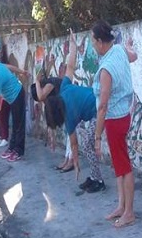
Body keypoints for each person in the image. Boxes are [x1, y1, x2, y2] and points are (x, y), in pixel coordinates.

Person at [44, 30, 106, 193]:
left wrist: (77, 165)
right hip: (98, 101)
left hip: (98, 110)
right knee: (86, 143)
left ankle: (98, 181)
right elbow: (70, 66)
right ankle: (94, 177)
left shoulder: (69, 117)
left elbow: (74, 144)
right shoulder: (63, 88)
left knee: (86, 144)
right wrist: (72, 44)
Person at [91, 20, 138, 228]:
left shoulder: (106, 69)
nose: (92, 44)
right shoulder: (118, 50)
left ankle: (129, 213)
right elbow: (133, 56)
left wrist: (97, 137)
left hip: (114, 120)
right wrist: (128, 46)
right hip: (123, 116)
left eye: (93, 41)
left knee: (124, 166)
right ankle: (121, 206)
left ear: (101, 42)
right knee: (119, 165)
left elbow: (102, 106)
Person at [31, 56, 74, 173]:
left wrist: (37, 81)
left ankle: (71, 161)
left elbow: (41, 96)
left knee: (71, 135)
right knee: (68, 135)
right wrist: (52, 134)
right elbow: (49, 112)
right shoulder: (49, 97)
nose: (41, 101)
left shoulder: (49, 84)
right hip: (66, 105)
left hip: (72, 104)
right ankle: (67, 160)